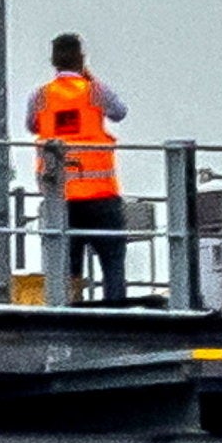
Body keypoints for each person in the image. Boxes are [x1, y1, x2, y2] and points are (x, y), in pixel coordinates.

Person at [27, 32, 132, 306]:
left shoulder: (40, 96)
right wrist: (90, 77)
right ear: (81, 59)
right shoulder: (95, 90)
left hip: (60, 196)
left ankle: (69, 314)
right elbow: (120, 112)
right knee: (112, 260)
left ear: (53, 61)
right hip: (100, 195)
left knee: (67, 266)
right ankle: (116, 315)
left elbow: (32, 125)